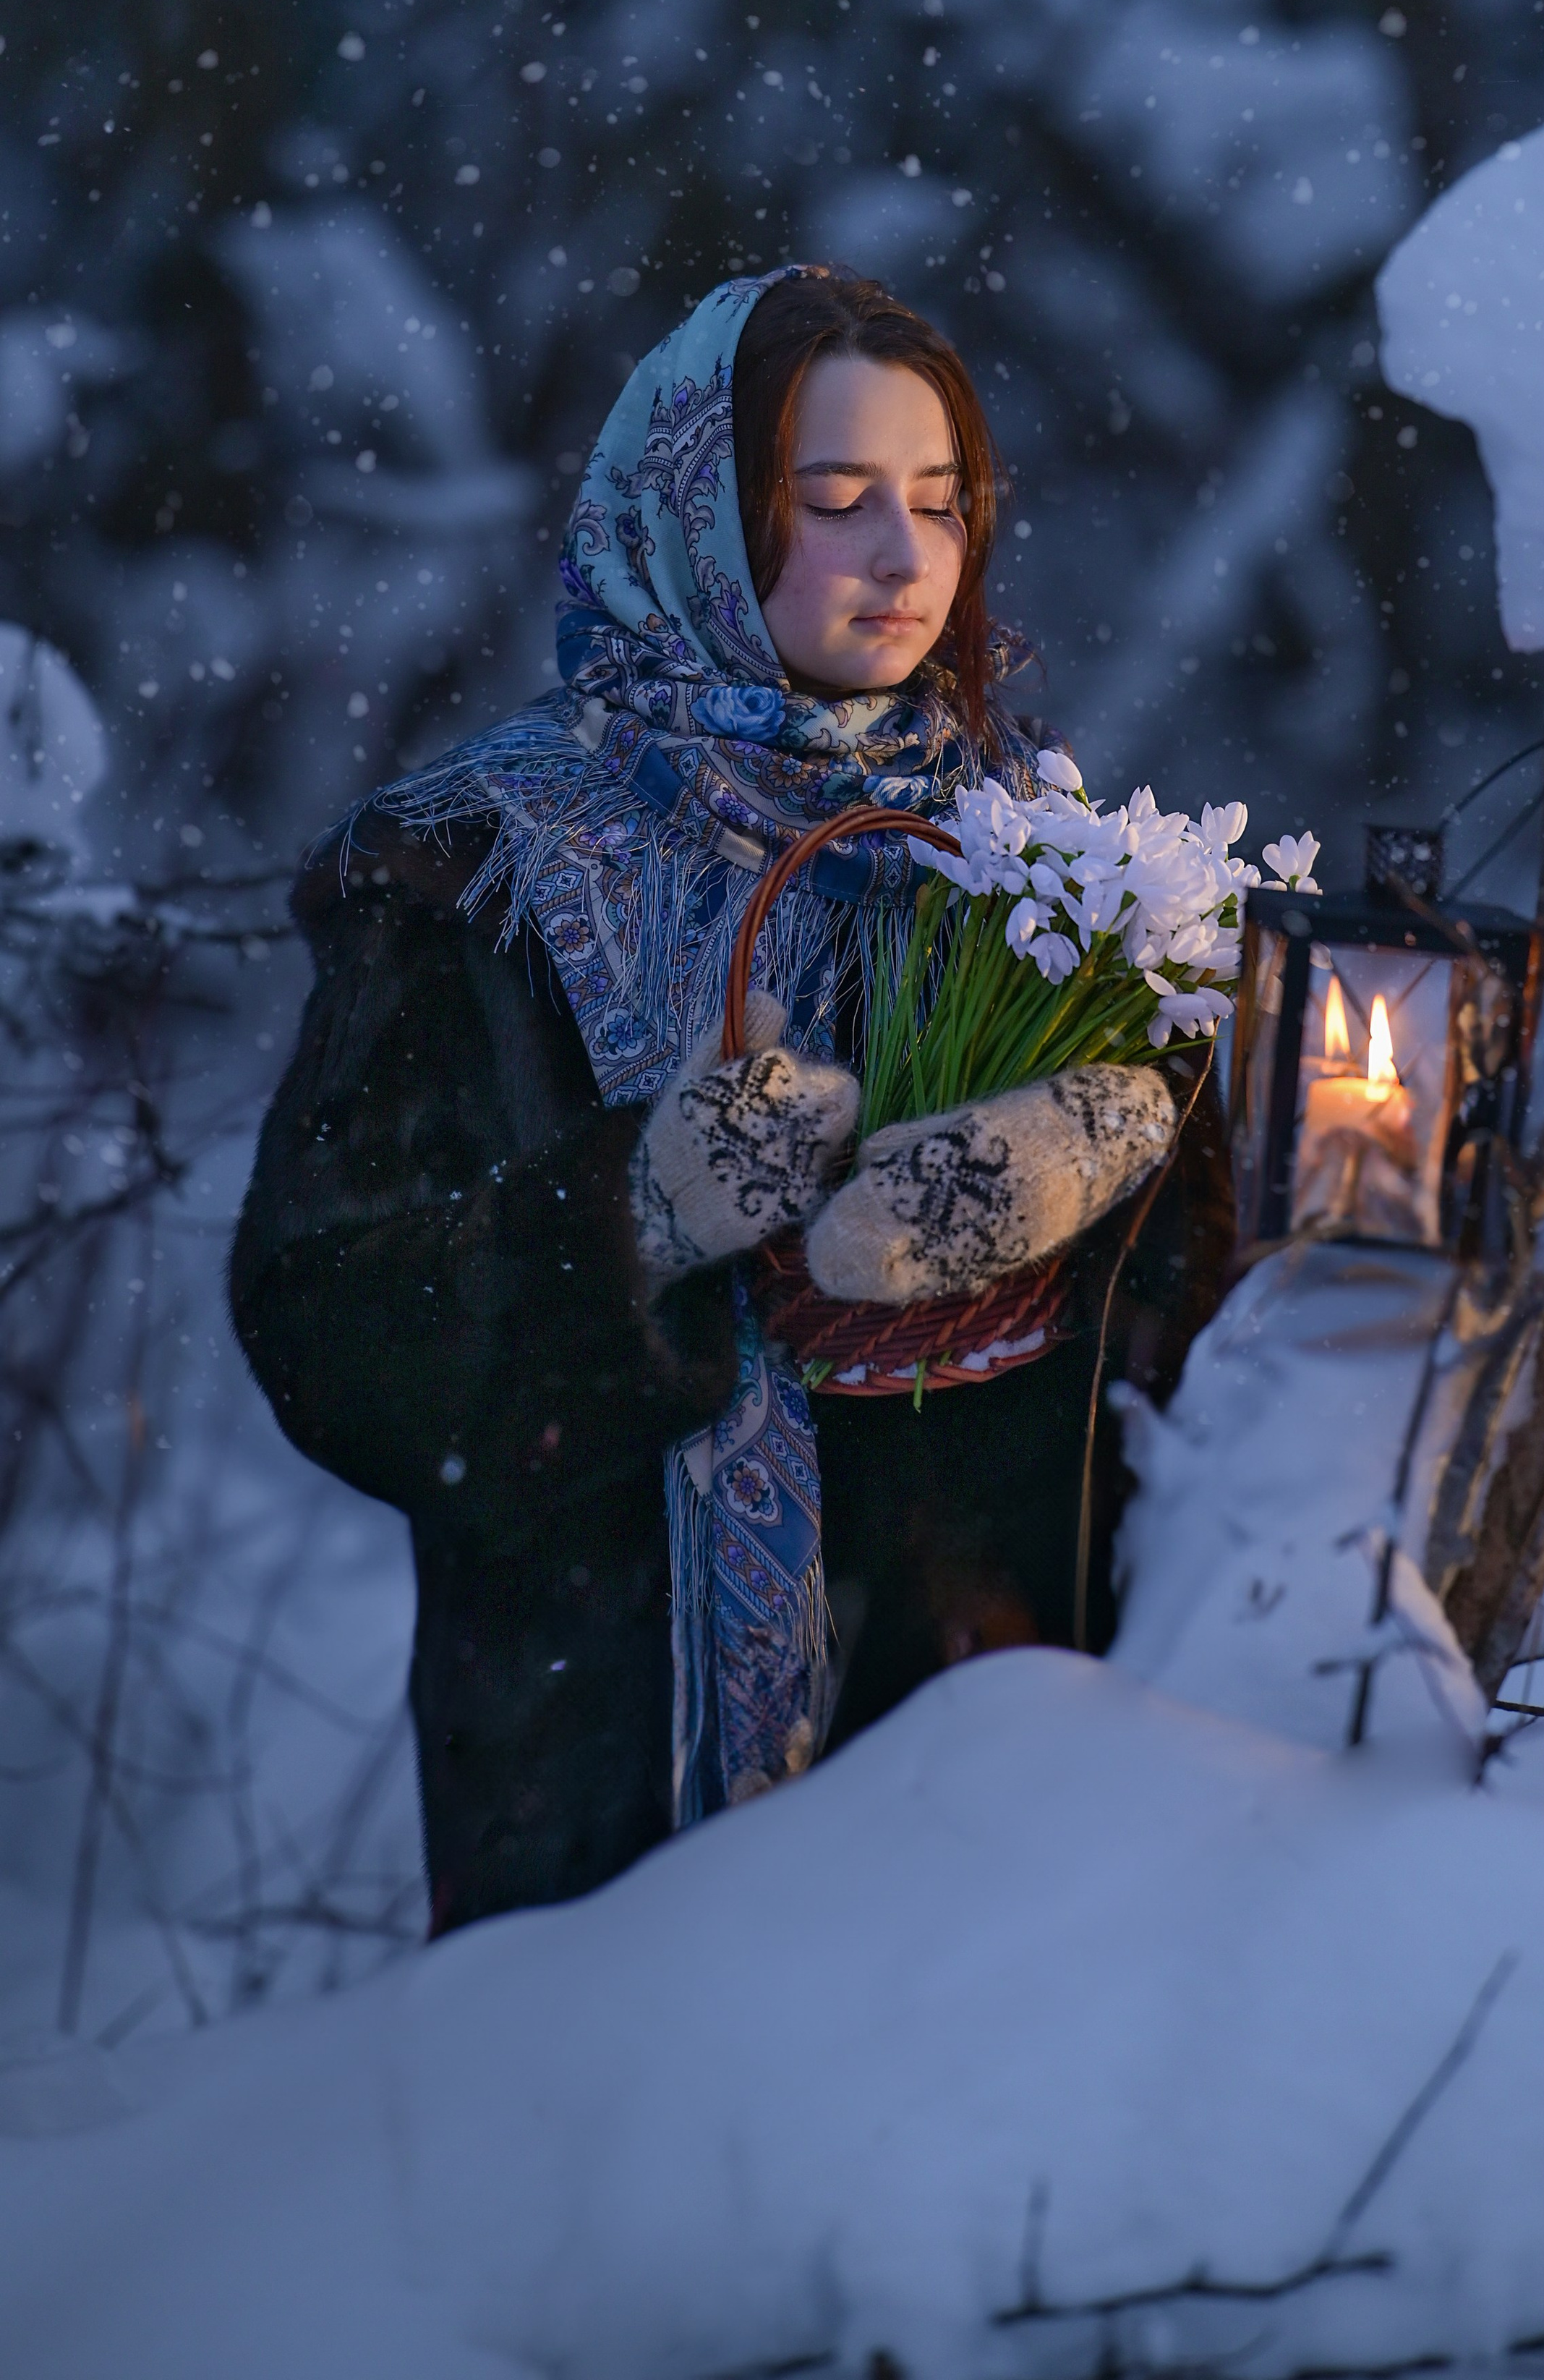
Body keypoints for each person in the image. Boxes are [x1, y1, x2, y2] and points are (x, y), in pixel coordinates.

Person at [231, 267, 1232, 1937]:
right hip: (606, 1784)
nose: (903, 558)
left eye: (937, 501)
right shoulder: (472, 869)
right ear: (696, 522)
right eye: (834, 502)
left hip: (995, 1770)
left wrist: (1093, 1155)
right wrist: (634, 1213)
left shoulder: (1020, 852)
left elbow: (1210, 1318)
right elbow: (327, 1326)